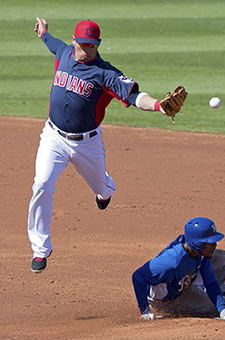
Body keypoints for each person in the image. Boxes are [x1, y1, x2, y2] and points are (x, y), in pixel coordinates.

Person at [28, 17, 170, 273]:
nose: (87, 50)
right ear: (74, 41)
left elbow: (136, 96)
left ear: (98, 44)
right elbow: (51, 43)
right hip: (53, 137)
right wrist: (43, 32)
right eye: (82, 44)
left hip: (87, 145)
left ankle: (105, 191)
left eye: (92, 46)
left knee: (102, 188)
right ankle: (40, 249)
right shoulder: (64, 52)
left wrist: (159, 105)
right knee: (41, 184)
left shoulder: (106, 73)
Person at [132, 217, 225, 321]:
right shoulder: (171, 261)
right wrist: (144, 309)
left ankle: (222, 288)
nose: (215, 244)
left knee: (222, 258)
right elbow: (138, 276)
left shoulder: (199, 252)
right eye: (210, 242)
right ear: (197, 244)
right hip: (167, 298)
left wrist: (223, 311)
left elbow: (211, 281)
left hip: (181, 280)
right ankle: (197, 290)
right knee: (211, 307)